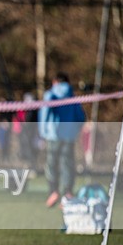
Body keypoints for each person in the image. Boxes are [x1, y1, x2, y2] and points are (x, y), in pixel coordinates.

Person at [38, 73, 85, 207]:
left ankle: (54, 191)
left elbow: (45, 112)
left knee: (52, 164)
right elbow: (81, 117)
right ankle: (68, 193)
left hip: (53, 135)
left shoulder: (50, 94)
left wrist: (43, 132)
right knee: (67, 164)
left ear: (55, 82)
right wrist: (74, 130)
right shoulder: (72, 96)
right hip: (69, 136)